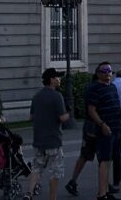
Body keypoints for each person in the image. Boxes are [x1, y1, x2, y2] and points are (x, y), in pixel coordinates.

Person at [26, 68, 71, 200]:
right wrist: (68, 114)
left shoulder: (37, 96)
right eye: (57, 77)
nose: (59, 79)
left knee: (37, 168)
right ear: (51, 80)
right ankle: (53, 198)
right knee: (55, 172)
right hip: (53, 140)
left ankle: (29, 193)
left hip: (38, 140)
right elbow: (63, 118)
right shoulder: (57, 96)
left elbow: (31, 117)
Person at [84, 62, 121, 200]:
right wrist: (102, 124)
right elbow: (91, 110)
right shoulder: (95, 88)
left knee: (108, 160)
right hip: (104, 130)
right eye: (105, 71)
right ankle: (102, 195)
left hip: (116, 128)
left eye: (110, 71)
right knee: (104, 160)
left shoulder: (112, 87)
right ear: (98, 73)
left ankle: (105, 191)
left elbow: (114, 104)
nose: (108, 74)